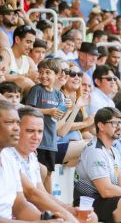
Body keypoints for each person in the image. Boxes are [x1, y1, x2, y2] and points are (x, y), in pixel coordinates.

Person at [26, 58, 66, 193]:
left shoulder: (59, 95)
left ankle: (49, 205)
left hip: (51, 141)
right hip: (38, 141)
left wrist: (68, 108)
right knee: (37, 174)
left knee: (48, 173)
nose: (43, 76)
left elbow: (59, 117)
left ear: (57, 75)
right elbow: (27, 111)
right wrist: (48, 111)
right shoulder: (36, 90)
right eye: (41, 72)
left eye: (48, 72)